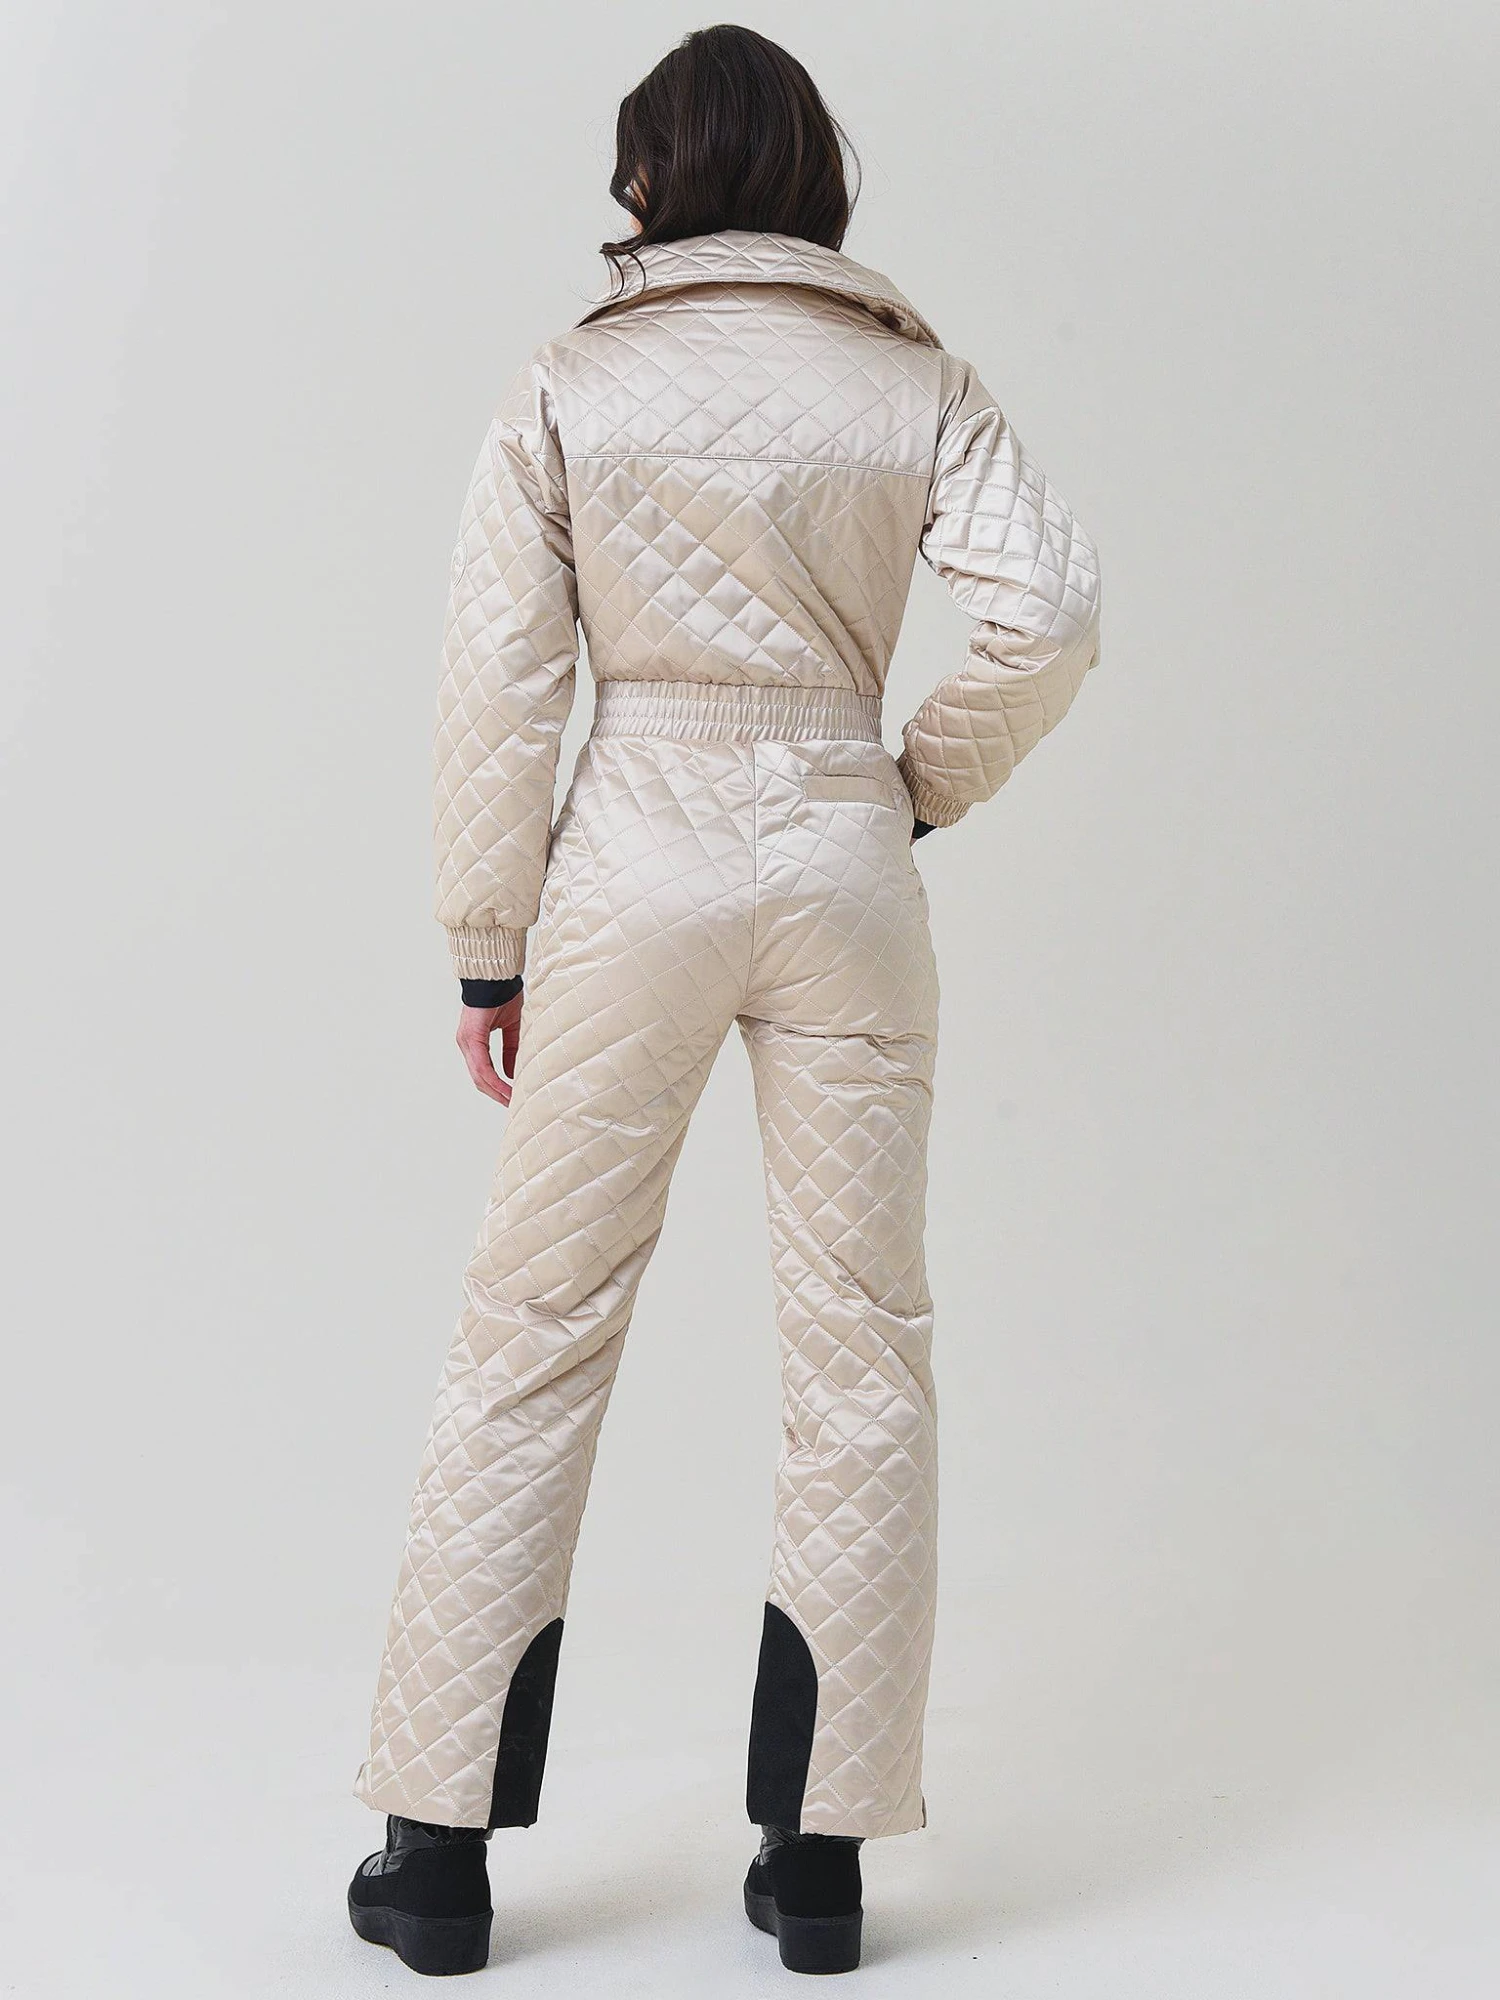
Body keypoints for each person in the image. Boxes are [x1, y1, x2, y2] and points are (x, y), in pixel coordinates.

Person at [346, 22, 1101, 1978]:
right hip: (846, 853)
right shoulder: (915, 378)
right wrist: (914, 781)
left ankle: (434, 1860)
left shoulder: (571, 380)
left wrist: (488, 941)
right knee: (864, 1343)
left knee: (534, 1327)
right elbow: (1053, 610)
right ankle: (821, 1862)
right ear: (821, 176)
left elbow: (501, 676)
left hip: (632, 863)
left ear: (643, 182)